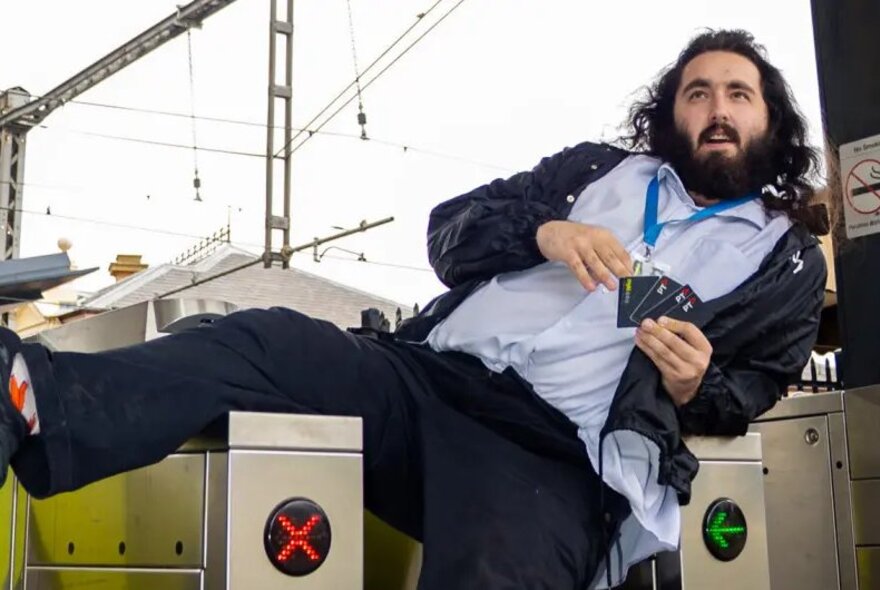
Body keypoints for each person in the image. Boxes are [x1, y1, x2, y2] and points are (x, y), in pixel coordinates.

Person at [0, 29, 825, 589]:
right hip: (423, 377)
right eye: (698, 92)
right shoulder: (597, 173)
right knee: (263, 339)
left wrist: (694, 385)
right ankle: (37, 404)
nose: (717, 109)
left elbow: (747, 391)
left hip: (546, 454)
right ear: (670, 110)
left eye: (739, 95)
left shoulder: (782, 259)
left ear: (770, 119)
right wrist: (540, 231)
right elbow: (448, 235)